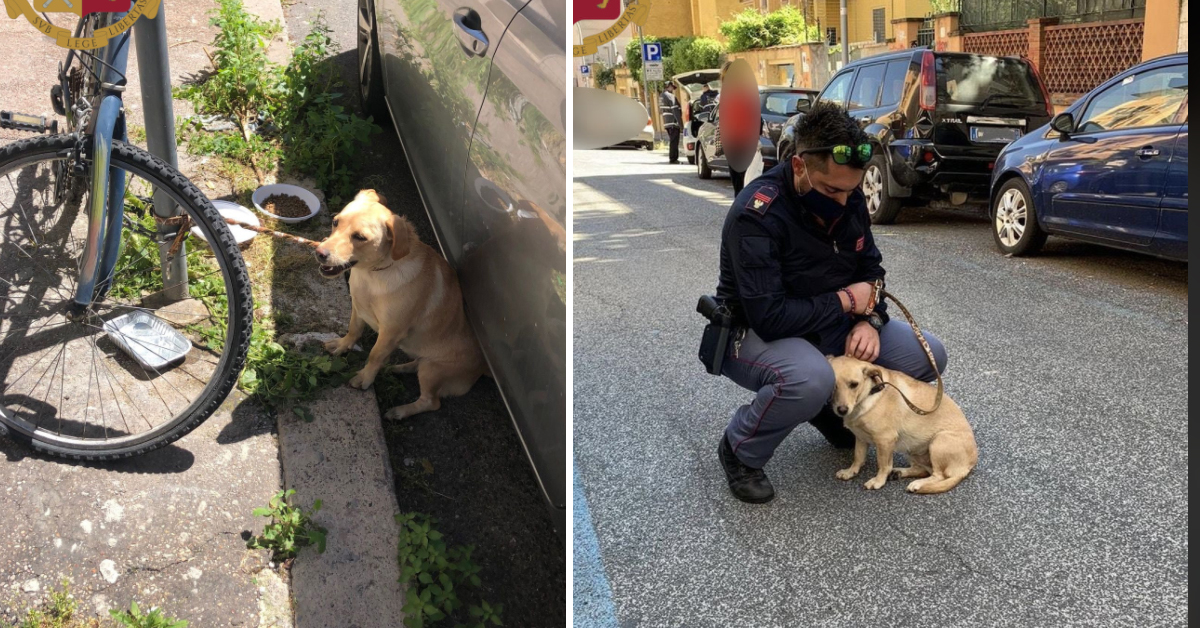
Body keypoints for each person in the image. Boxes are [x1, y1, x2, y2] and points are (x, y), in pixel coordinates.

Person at [712, 102, 949, 504]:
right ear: (800, 166)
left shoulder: (848, 195)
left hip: (834, 324)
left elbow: (872, 273)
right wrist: (844, 301)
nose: (843, 201)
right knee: (809, 377)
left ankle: (829, 408)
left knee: (928, 354)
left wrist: (870, 321)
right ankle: (741, 448)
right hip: (754, 332)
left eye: (851, 190)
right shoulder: (757, 216)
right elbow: (769, 317)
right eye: (831, 190)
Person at [660, 83, 682, 165]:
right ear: (668, 87)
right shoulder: (670, 96)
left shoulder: (661, 96)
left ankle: (673, 158)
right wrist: (681, 124)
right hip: (673, 122)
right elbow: (675, 110)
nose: (673, 89)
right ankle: (673, 159)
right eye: (672, 87)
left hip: (667, 122)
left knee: (672, 141)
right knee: (674, 141)